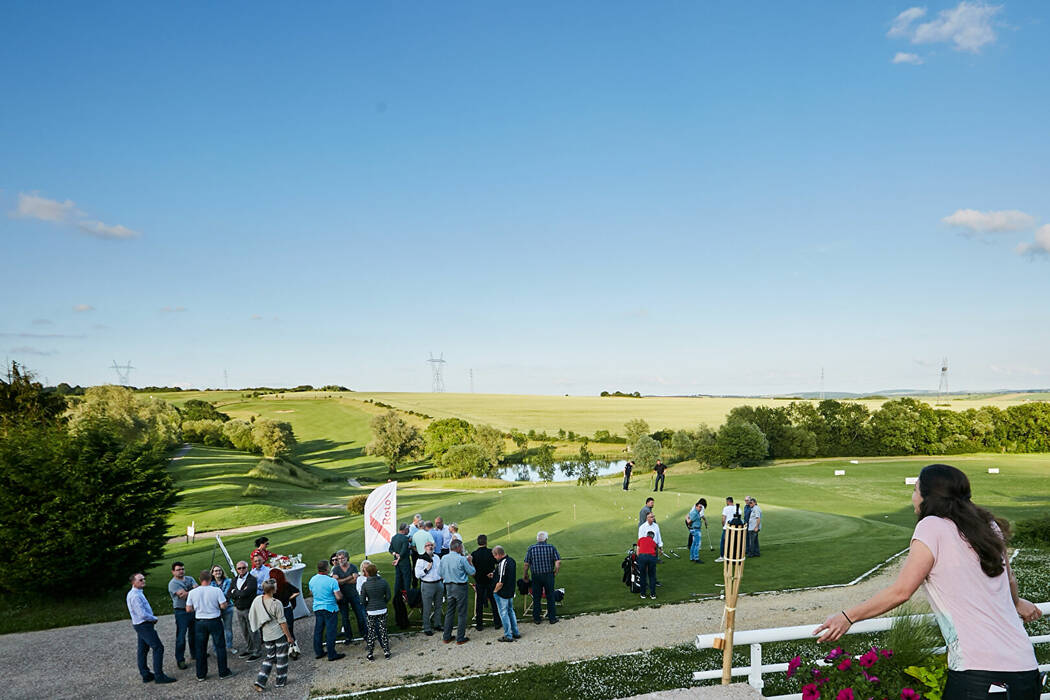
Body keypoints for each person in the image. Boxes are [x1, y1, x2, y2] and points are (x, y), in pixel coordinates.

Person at [814, 464, 1043, 700]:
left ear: (928, 497)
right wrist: (1016, 603)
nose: (913, 497)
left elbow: (901, 592)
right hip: (1025, 668)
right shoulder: (988, 525)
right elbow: (1008, 578)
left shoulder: (931, 526)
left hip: (979, 673)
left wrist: (848, 617)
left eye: (915, 490)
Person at [126, 572, 176, 684]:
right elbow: (142, 614)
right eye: (140, 580)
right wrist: (153, 618)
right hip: (144, 625)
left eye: (143, 579)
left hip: (141, 625)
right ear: (133, 582)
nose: (143, 581)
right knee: (158, 647)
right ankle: (159, 676)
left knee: (143, 649)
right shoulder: (135, 596)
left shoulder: (136, 593)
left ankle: (146, 674)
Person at [185, 570, 233, 681]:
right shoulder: (216, 590)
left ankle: (201, 674)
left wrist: (198, 608)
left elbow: (188, 609)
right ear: (210, 579)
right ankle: (223, 672)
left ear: (200, 579)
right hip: (214, 620)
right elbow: (223, 606)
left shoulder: (193, 592)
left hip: (200, 621)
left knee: (200, 648)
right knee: (220, 646)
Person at [248, 578, 295, 691]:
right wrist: (289, 637)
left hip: (266, 634)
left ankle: (260, 682)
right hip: (278, 634)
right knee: (281, 658)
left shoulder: (257, 600)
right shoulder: (276, 603)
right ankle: (280, 681)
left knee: (269, 658)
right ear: (273, 589)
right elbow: (282, 622)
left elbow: (252, 615)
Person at [440, 539, 476, 644]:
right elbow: (472, 572)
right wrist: (470, 561)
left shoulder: (444, 558)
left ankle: (446, 636)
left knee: (450, 611)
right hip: (460, 587)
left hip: (448, 586)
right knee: (462, 612)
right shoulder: (461, 559)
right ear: (459, 547)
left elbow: (440, 573)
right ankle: (460, 638)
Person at [309, 560, 345, 662]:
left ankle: (319, 652)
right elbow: (338, 597)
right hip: (330, 608)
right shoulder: (331, 581)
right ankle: (331, 653)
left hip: (317, 607)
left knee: (318, 630)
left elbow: (311, 593)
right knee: (330, 631)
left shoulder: (312, 580)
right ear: (327, 568)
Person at [523, 531, 561, 624]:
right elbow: (558, 562)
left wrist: (525, 574)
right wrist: (555, 571)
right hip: (548, 575)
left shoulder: (531, 548)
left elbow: (526, 564)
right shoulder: (551, 547)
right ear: (546, 539)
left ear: (537, 539)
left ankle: (537, 618)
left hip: (536, 576)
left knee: (536, 597)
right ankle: (552, 618)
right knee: (550, 596)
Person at [229, 560, 261, 660]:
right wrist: (240, 592)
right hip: (238, 609)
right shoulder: (234, 579)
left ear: (247, 568)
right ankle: (250, 648)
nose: (241, 570)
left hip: (249, 608)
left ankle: (257, 651)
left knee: (253, 630)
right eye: (239, 568)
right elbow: (229, 593)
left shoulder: (252, 579)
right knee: (244, 630)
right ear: (237, 569)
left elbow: (245, 593)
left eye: (244, 568)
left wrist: (235, 592)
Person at [168, 561, 197, 670]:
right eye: (178, 570)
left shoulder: (190, 578)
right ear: (173, 572)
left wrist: (189, 591)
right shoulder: (173, 584)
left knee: (194, 633)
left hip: (192, 610)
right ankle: (180, 659)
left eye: (182, 569)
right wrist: (194, 590)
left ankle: (195, 653)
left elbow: (194, 591)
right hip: (181, 611)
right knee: (181, 636)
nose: (181, 571)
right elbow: (183, 596)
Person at [360, 562, 392, 660]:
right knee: (383, 631)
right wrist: (383, 602)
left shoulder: (365, 585)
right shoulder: (384, 582)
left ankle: (370, 653)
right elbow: (388, 596)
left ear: (367, 573)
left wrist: (368, 605)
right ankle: (386, 651)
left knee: (371, 632)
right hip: (382, 609)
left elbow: (362, 600)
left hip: (371, 611)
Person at [332, 550, 363, 644]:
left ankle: (364, 633)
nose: (340, 560)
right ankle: (348, 636)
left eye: (342, 558)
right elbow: (336, 582)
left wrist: (342, 581)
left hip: (353, 594)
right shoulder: (336, 569)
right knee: (345, 617)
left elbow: (355, 580)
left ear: (347, 558)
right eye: (339, 558)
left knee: (359, 614)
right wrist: (349, 577)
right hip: (342, 596)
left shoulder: (353, 567)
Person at [471, 534, 500, 632]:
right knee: (493, 601)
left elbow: (472, 568)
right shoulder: (491, 552)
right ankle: (497, 622)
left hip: (479, 581)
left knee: (479, 603)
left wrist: (475, 576)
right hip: (490, 580)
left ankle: (479, 624)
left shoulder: (474, 554)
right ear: (486, 542)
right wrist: (494, 573)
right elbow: (498, 564)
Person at [269, 568, 300, 657]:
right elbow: (297, 592)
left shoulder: (270, 587)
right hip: (286, 609)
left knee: (279, 630)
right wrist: (289, 598)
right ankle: (293, 647)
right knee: (289, 629)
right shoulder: (286, 585)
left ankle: (283, 649)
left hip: (276, 611)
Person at [492, 545, 521, 642]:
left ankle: (508, 635)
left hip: (503, 593)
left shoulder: (502, 563)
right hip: (510, 591)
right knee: (510, 611)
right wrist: (494, 574)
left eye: (494, 556)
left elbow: (500, 582)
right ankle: (515, 632)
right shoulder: (511, 560)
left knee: (503, 613)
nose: (494, 558)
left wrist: (494, 591)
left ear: (498, 554)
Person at [415, 541, 443, 636]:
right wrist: (426, 569)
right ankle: (427, 627)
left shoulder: (437, 557)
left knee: (438, 606)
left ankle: (437, 624)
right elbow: (417, 574)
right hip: (427, 585)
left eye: (431, 545)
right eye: (428, 545)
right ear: (424, 548)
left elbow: (440, 569)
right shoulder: (421, 560)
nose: (430, 547)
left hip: (438, 584)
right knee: (427, 607)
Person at [388, 522, 413, 629]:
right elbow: (403, 552)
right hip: (404, 562)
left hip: (397, 562)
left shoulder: (394, 537)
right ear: (404, 529)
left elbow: (390, 549)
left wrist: (395, 555)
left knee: (398, 578)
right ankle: (407, 595)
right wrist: (398, 559)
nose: (409, 530)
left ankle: (397, 593)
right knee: (407, 579)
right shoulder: (404, 539)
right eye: (408, 529)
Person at [210, 565, 235, 654]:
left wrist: (216, 597)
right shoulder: (210, 583)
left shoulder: (228, 581)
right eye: (216, 571)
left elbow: (227, 594)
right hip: (215, 609)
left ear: (222, 571)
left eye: (219, 570)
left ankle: (229, 646)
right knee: (215, 630)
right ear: (212, 573)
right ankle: (216, 648)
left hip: (228, 607)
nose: (218, 572)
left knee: (228, 629)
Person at [636, 531, 659, 599]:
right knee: (652, 576)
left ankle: (643, 594)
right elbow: (656, 553)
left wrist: (639, 559)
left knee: (643, 576)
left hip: (642, 557)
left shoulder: (641, 539)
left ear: (647, 535)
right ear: (653, 537)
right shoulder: (654, 542)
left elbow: (637, 551)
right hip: (651, 557)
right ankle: (653, 594)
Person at [715, 497, 737, 563]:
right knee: (733, 542)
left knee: (723, 542)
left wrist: (723, 525)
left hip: (727, 528)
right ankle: (732, 556)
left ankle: (722, 556)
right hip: (735, 528)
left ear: (728, 501)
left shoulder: (726, 508)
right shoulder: (737, 508)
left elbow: (723, 519)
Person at [686, 499, 707, 563]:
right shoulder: (695, 513)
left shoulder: (695, 512)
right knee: (697, 544)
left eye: (701, 507)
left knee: (693, 544)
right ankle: (696, 558)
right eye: (699, 507)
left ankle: (692, 557)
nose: (700, 509)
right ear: (696, 506)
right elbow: (689, 521)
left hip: (694, 529)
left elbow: (688, 517)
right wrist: (687, 519)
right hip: (696, 530)